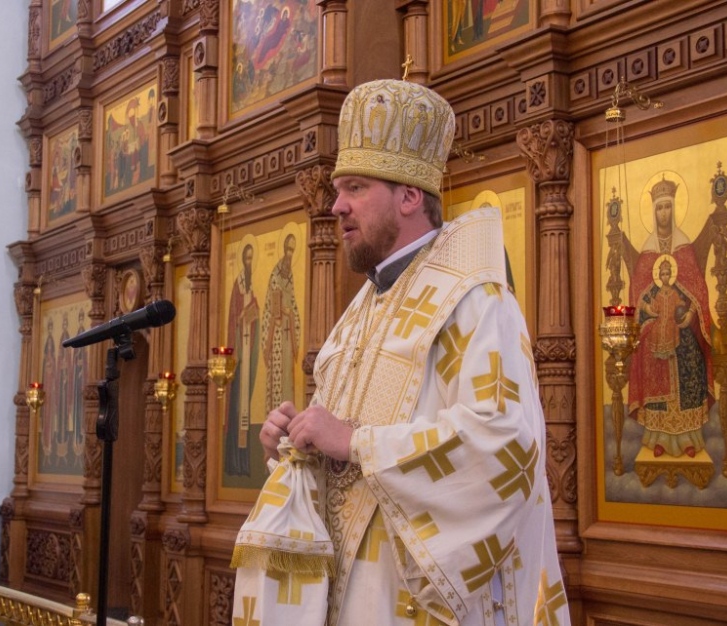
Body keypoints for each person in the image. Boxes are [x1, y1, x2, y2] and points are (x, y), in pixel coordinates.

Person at [235, 79, 569, 625]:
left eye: (355, 187)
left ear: (410, 196)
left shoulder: (475, 301)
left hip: (423, 602)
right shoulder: (357, 316)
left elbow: (506, 444)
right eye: (338, 189)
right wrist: (296, 445)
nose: (336, 205)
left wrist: (354, 441)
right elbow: (340, 463)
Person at [627, 177, 715, 459]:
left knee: (690, 360)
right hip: (656, 330)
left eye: (667, 207)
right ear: (653, 212)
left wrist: (691, 314)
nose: (663, 213)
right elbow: (637, 292)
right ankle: (658, 438)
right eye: (659, 208)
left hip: (683, 328)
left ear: (674, 209)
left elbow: (698, 288)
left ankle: (689, 438)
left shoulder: (683, 245)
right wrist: (646, 308)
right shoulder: (648, 249)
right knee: (650, 358)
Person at [225, 243, 260, 476]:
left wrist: (254, 312)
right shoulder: (237, 287)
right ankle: (234, 462)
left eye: (251, 259)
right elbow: (232, 320)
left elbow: (256, 312)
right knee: (237, 407)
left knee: (246, 405)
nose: (249, 263)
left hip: (249, 352)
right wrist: (241, 319)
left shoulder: (251, 286)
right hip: (239, 354)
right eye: (246, 259)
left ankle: (244, 463)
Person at [261, 233, 301, 411]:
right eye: (288, 249)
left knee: (288, 378)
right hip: (277, 332)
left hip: (288, 332)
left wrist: (290, 315)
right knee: (277, 377)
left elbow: (294, 305)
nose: (290, 254)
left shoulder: (291, 274)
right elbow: (269, 306)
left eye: (293, 250)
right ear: (284, 249)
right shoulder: (275, 274)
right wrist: (277, 314)